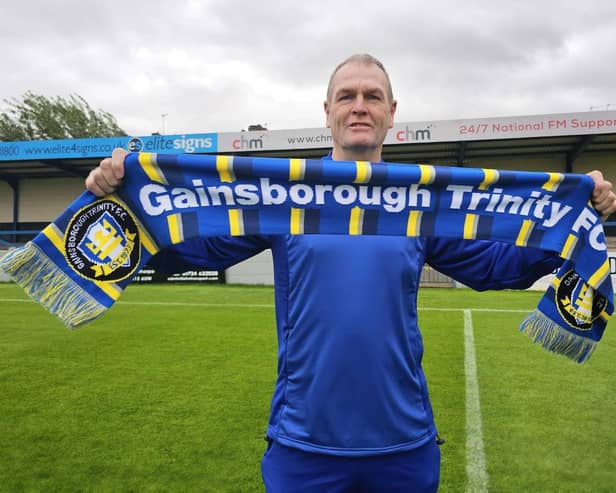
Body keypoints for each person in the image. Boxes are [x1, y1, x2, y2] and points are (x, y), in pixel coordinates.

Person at [86, 54, 616, 492]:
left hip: (405, 447)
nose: (359, 106)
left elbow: (493, 267)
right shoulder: (284, 196)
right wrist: (125, 202)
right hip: (302, 448)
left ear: (391, 113)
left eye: (372, 96)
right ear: (328, 111)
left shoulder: (416, 203)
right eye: (347, 96)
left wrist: (572, 223)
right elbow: (194, 248)